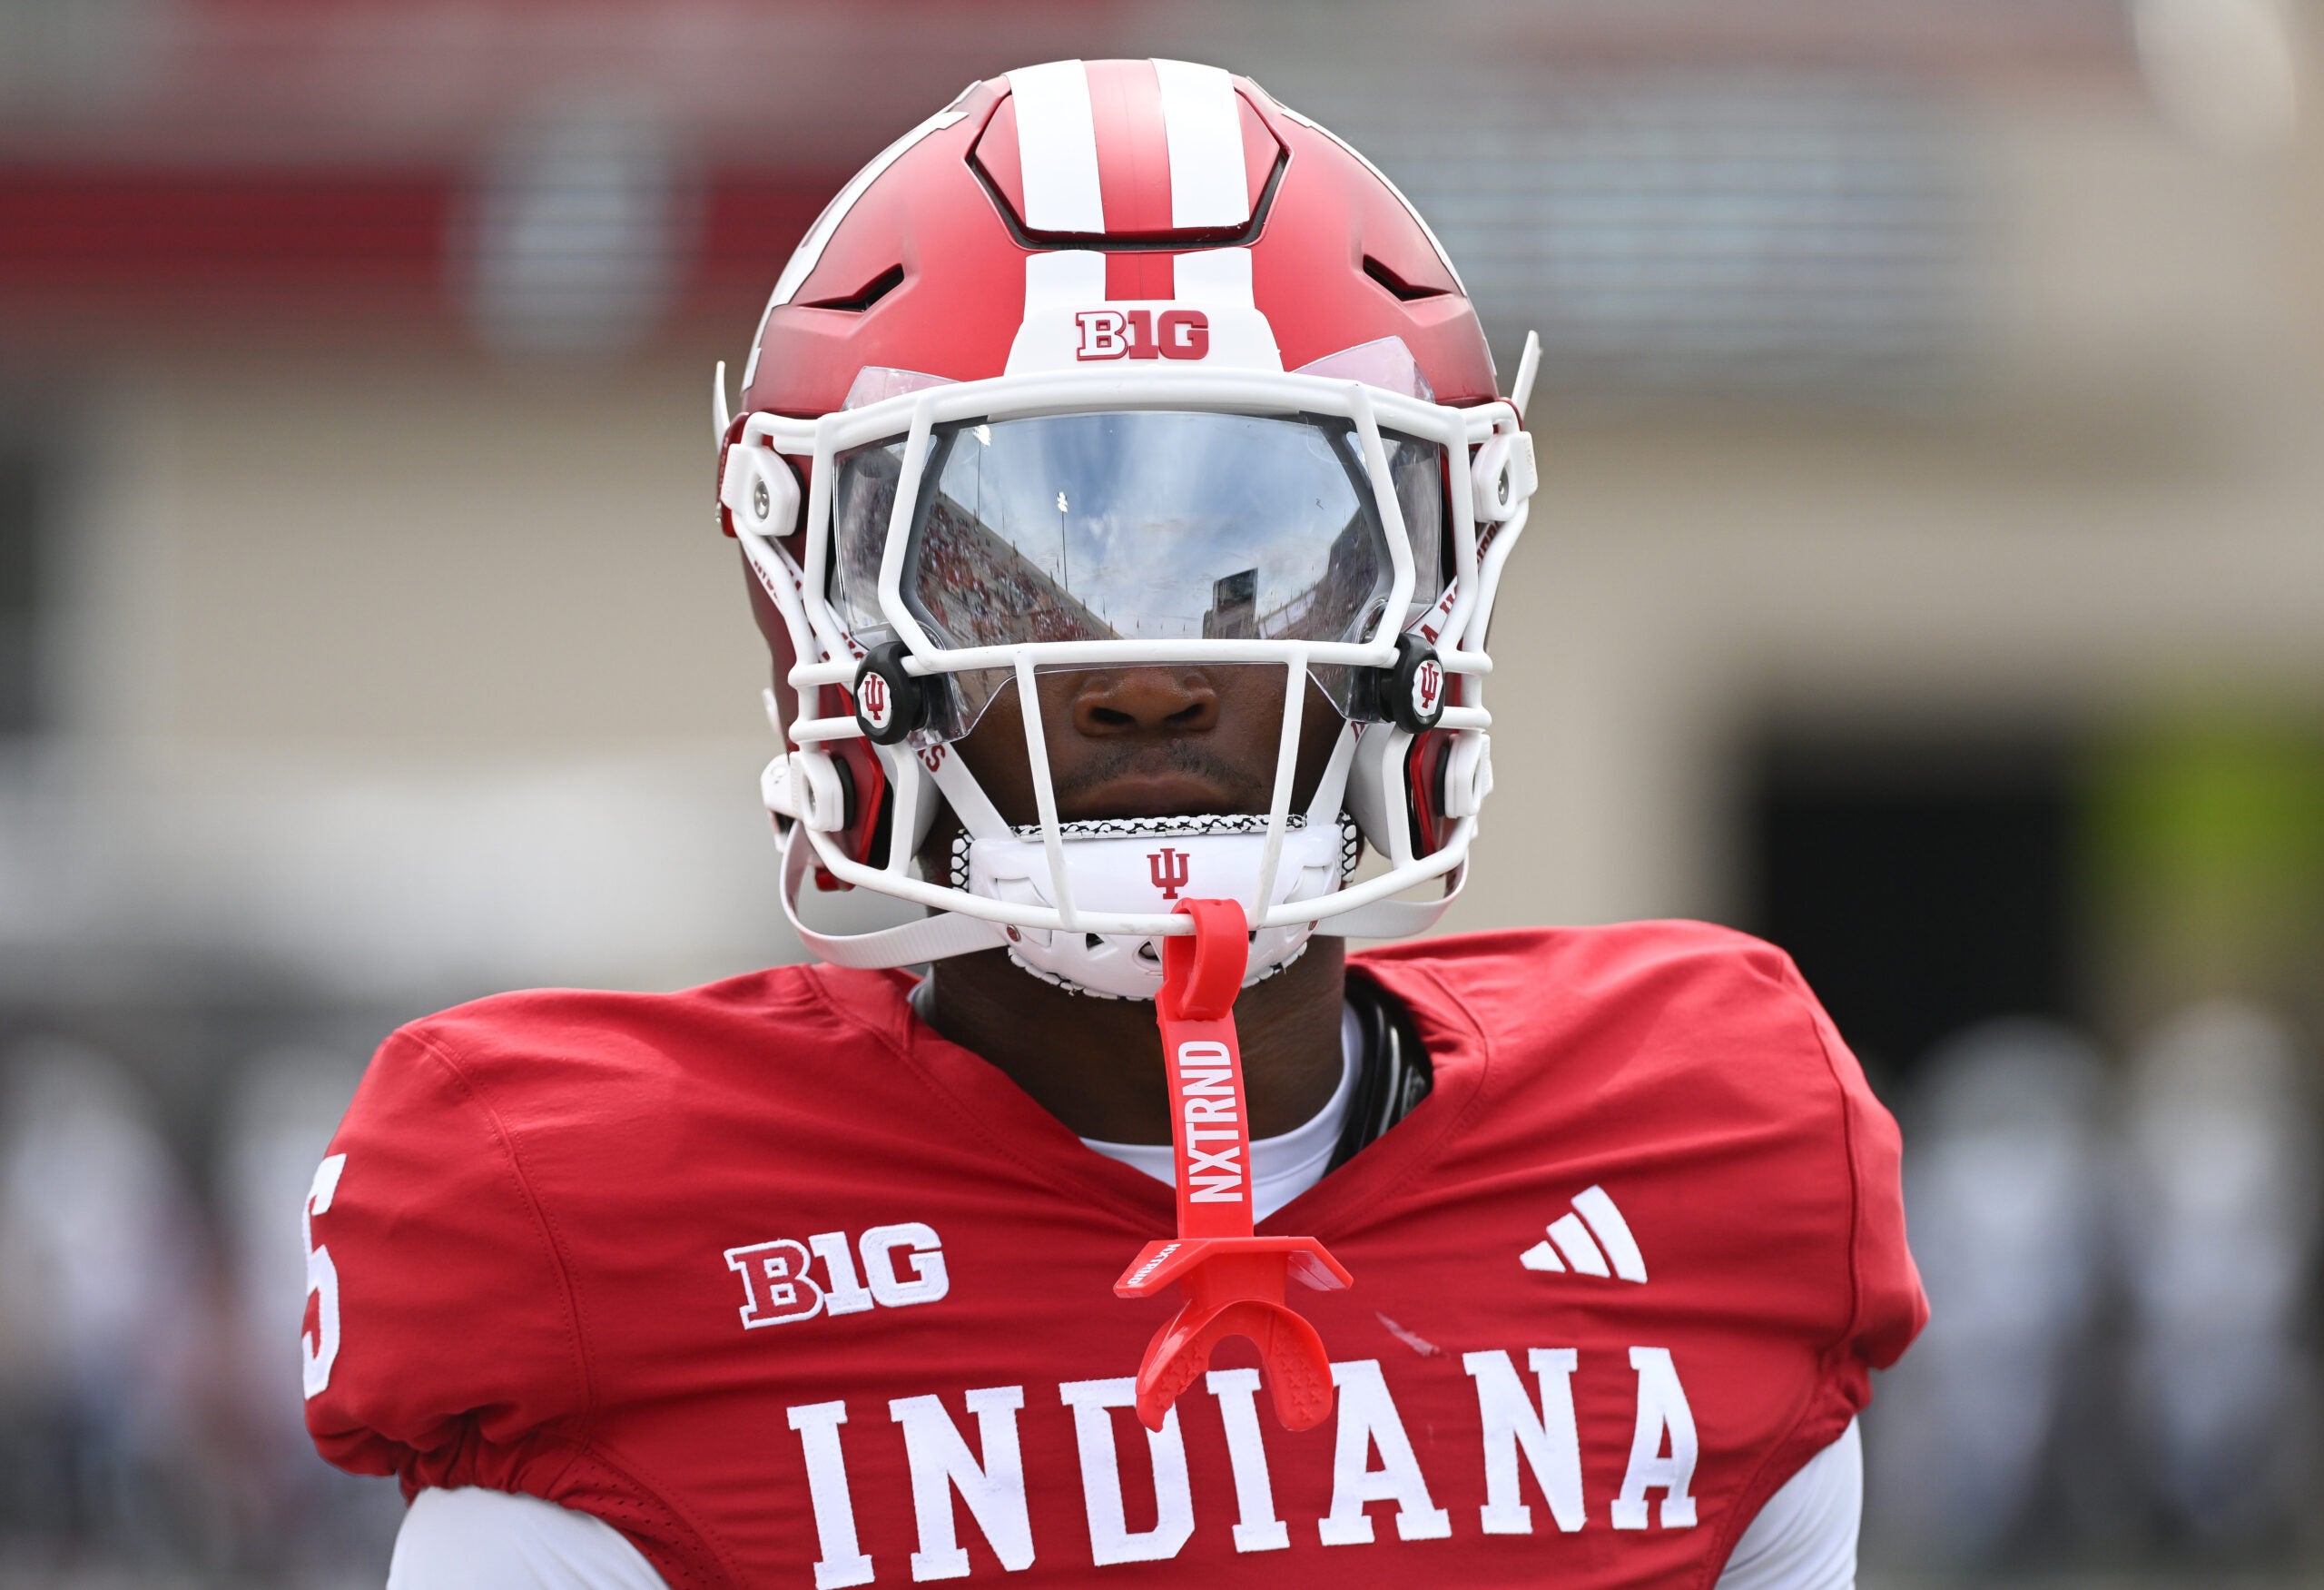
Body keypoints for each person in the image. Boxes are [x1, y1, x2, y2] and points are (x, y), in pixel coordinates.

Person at [301, 59, 1925, 1588]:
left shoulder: (1710, 1161)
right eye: (1007, 546)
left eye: (1269, 536)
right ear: (824, 608)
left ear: (1435, 585)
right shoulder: (598, 1243)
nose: (1147, 672)